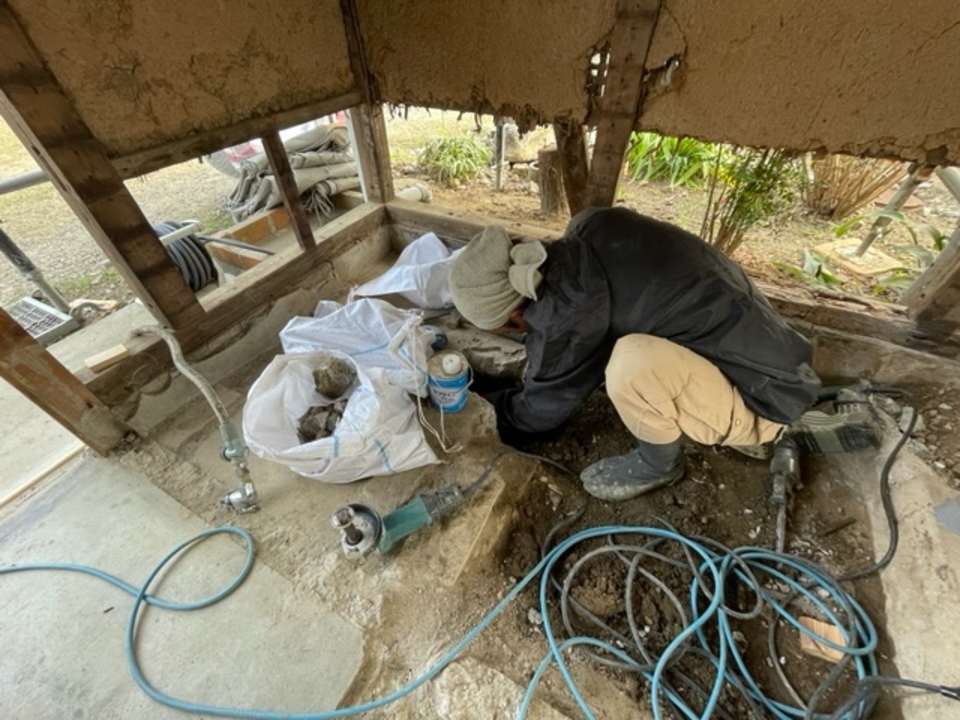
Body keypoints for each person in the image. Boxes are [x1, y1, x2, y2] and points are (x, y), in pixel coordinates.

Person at [448, 207, 878, 501]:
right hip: (771, 348)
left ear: (516, 311)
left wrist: (483, 406)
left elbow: (538, 413)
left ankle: (660, 464)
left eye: (509, 328)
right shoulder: (591, 226)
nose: (519, 334)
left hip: (760, 397)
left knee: (630, 364)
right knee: (619, 348)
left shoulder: (570, 316)